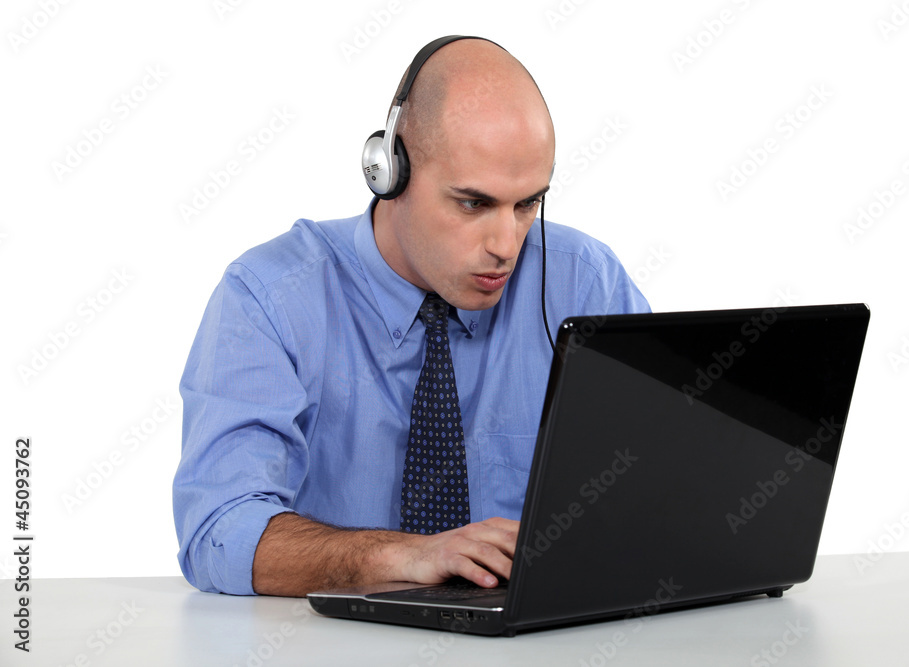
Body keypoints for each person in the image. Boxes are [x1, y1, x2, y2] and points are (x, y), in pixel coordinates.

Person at [173, 36, 649, 597]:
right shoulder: (269, 299)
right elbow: (218, 533)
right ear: (389, 172)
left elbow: (659, 489)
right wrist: (402, 556)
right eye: (474, 203)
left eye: (527, 204)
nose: (506, 243)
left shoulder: (585, 282)